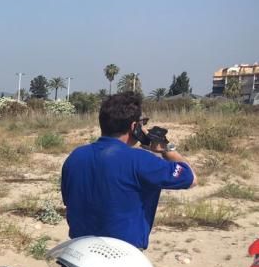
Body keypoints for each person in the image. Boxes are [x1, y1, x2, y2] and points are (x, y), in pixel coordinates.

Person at [61, 93, 196, 249]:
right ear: (134, 127)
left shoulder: (75, 156)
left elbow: (68, 201)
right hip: (123, 255)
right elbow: (191, 177)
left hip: (79, 251)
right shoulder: (141, 160)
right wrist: (165, 148)